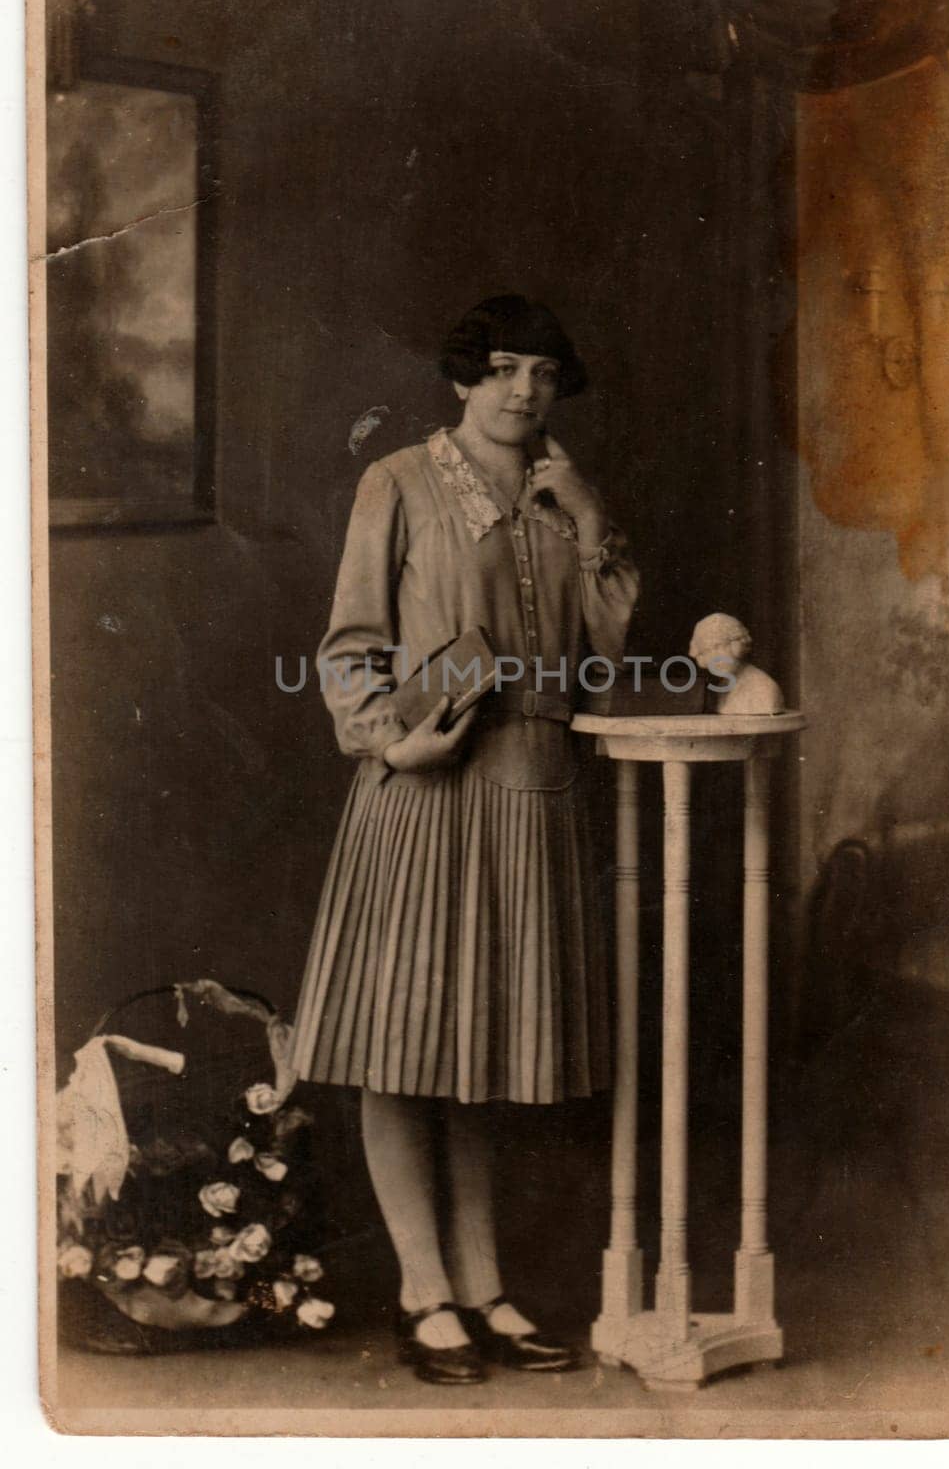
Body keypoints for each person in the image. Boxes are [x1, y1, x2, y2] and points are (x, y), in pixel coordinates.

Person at [290, 295, 640, 1384]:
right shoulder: (396, 482)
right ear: (459, 379)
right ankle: (423, 1294)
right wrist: (390, 749)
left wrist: (584, 515)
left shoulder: (559, 498)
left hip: (532, 790)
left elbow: (606, 652)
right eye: (499, 369)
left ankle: (484, 1290)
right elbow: (351, 644)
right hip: (425, 792)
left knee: (482, 1046)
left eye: (541, 373)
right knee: (402, 1043)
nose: (521, 391)